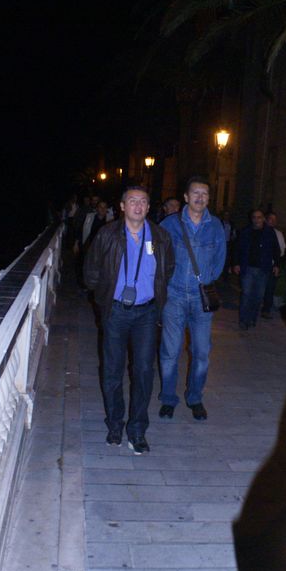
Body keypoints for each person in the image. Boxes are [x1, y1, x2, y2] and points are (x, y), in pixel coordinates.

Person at [84, 186, 174, 454]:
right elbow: (91, 271)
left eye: (143, 201)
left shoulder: (160, 236)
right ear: (122, 206)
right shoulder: (108, 234)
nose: (138, 206)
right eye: (132, 201)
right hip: (115, 312)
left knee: (144, 371)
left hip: (146, 312)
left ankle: (137, 430)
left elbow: (168, 268)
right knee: (112, 370)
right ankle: (115, 424)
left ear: (148, 207)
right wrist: (104, 297)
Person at [158, 176, 226, 421]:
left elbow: (220, 260)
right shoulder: (170, 224)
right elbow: (157, 255)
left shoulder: (215, 226)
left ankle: (195, 397)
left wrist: (206, 279)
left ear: (209, 198)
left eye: (204, 194)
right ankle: (168, 398)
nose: (200, 197)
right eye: (195, 193)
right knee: (170, 352)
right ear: (186, 197)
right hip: (174, 295)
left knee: (202, 352)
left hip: (201, 299)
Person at [234, 208, 281, 330]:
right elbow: (237, 248)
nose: (257, 220)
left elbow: (276, 249)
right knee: (246, 294)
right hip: (248, 268)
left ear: (263, 219)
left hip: (263, 269)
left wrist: (276, 265)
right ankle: (244, 320)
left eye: (259, 217)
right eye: (254, 217)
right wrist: (236, 263)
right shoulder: (246, 232)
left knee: (258, 296)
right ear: (251, 219)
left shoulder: (269, 232)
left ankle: (252, 318)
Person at [261, 211, 286, 317]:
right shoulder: (260, 231)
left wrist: (277, 264)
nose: (273, 222)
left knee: (270, 288)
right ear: (266, 220)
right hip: (259, 265)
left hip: (272, 265)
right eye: (271, 219)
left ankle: (266, 309)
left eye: (275, 220)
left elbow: (282, 250)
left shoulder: (278, 234)